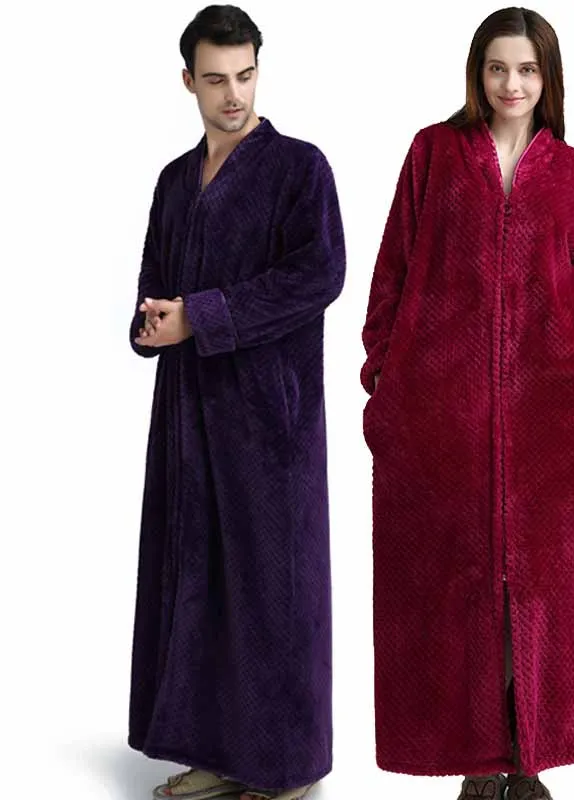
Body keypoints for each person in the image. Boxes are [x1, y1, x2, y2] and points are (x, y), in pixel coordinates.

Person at [360, 7, 574, 799]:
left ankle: (527, 761)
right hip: (441, 419)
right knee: (456, 600)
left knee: (543, 593)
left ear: (547, 77)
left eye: (526, 70)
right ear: (477, 73)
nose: (511, 84)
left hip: (549, 422)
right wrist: (384, 375)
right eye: (497, 69)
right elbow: (392, 273)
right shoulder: (434, 152)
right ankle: (475, 764)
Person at [127, 6, 345, 800]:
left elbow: (318, 275)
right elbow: (153, 286)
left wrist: (202, 315)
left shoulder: (299, 168)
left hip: (268, 422)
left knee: (272, 594)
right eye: (216, 79)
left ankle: (283, 769)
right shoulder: (173, 181)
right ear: (188, 80)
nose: (233, 95)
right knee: (195, 586)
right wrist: (152, 326)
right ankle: (214, 755)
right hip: (187, 419)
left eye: (245, 76)